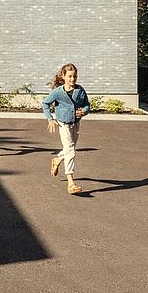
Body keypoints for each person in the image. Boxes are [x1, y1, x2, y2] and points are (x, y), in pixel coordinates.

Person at [42, 62, 90, 194]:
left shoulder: (80, 91)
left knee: (69, 149)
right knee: (70, 151)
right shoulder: (58, 92)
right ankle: (71, 183)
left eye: (74, 76)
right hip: (63, 124)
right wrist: (50, 119)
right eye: (69, 76)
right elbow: (45, 103)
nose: (72, 79)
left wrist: (84, 112)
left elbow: (87, 105)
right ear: (63, 76)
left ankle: (57, 160)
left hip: (76, 124)